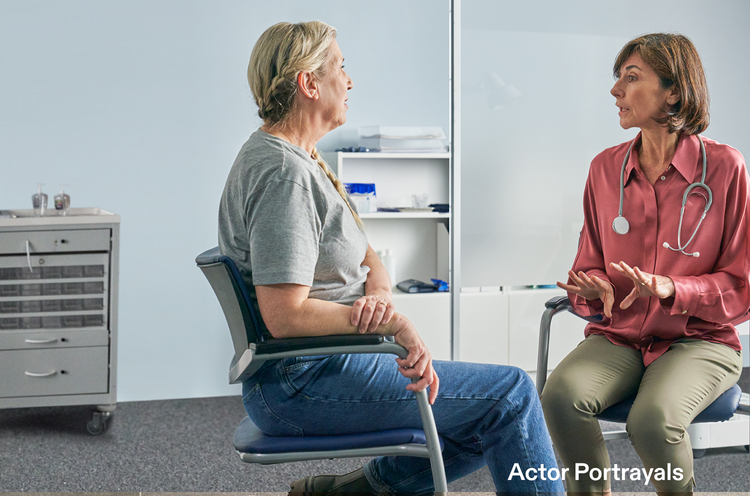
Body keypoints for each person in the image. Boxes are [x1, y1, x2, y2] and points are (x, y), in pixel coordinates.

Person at [219, 21, 563, 494]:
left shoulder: (302, 161)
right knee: (512, 394)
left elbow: (370, 260)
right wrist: (394, 326)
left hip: (323, 367)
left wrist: (379, 299)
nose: (350, 80)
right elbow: (283, 314)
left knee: (485, 410)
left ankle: (357, 491)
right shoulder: (285, 176)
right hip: (304, 383)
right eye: (341, 66)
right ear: (309, 83)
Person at [543, 33, 749, 495]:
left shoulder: (724, 168)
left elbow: (741, 284)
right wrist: (593, 287)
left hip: (700, 340)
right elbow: (589, 264)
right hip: (620, 334)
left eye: (631, 78)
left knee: (652, 420)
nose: (616, 90)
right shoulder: (604, 169)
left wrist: (674, 289)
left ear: (673, 91)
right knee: (560, 396)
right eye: (617, 78)